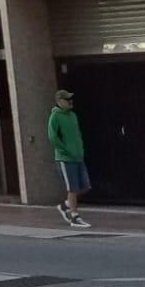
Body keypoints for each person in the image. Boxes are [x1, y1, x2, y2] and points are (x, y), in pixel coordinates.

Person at [47, 90, 91, 228]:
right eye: (67, 99)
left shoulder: (72, 115)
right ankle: (74, 217)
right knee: (72, 188)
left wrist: (80, 150)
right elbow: (52, 136)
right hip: (66, 159)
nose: (70, 101)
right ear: (59, 101)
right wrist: (65, 150)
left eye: (71, 99)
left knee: (85, 186)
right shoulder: (55, 116)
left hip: (78, 157)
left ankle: (65, 205)